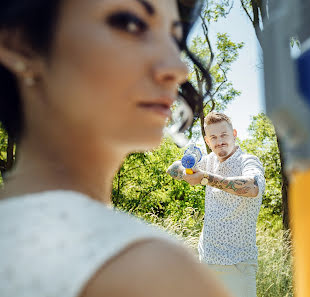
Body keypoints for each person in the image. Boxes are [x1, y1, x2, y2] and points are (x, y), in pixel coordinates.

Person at [0, 1, 232, 297]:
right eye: (130, 23)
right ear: (20, 44)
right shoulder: (150, 272)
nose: (178, 69)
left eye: (174, 38)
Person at [167, 112, 266, 297]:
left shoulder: (248, 161)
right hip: (206, 262)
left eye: (224, 135)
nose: (219, 141)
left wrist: (205, 178)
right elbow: (171, 169)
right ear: (207, 140)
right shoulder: (208, 161)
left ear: (234, 134)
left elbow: (253, 187)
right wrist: (186, 168)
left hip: (237, 265)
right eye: (213, 137)